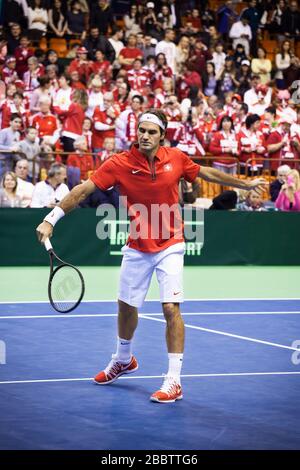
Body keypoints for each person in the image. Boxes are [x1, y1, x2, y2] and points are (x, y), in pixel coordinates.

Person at [36, 108, 266, 403]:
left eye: (151, 132)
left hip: (171, 243)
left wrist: (244, 184)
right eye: (141, 130)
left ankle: (174, 380)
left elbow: (204, 171)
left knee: (171, 308)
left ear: (162, 136)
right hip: (137, 245)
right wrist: (50, 219)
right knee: (126, 306)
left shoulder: (176, 158)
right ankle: (123, 359)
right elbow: (82, 191)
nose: (144, 136)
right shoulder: (119, 163)